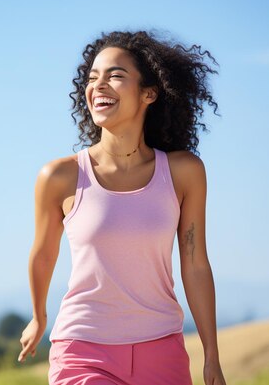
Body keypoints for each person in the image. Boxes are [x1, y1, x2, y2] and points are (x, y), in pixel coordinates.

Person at [17, 29, 227, 385]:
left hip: (161, 350)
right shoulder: (60, 176)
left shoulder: (184, 172)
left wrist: (212, 357)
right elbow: (42, 254)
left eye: (115, 76)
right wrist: (38, 316)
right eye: (92, 77)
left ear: (149, 93)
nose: (98, 85)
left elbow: (195, 263)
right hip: (83, 349)